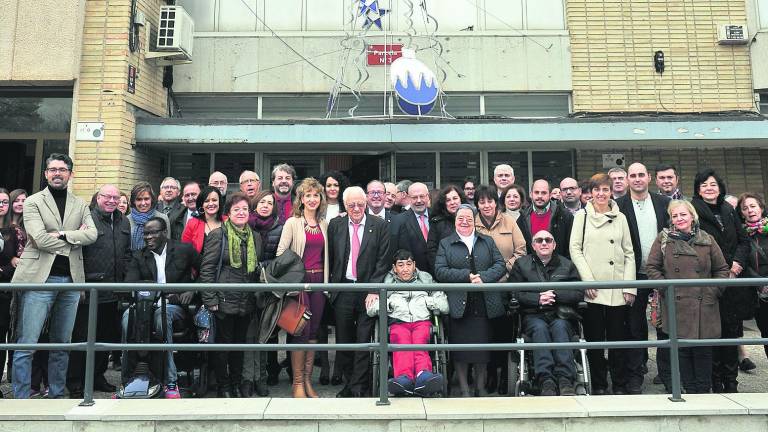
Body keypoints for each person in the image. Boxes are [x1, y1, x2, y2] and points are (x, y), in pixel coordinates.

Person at [11, 153, 98, 399]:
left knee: (62, 344)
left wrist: (60, 234)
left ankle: (57, 395)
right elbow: (38, 238)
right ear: (46, 174)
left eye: (62, 169)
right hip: (40, 279)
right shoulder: (33, 202)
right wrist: (72, 238)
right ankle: (21, 397)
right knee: (27, 342)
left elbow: (92, 234)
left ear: (70, 173)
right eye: (52, 169)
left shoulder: (80, 204)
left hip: (71, 280)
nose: (57, 173)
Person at [646, 200, 730, 393]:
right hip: (676, 304)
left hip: (704, 305)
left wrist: (713, 292)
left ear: (692, 216)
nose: (679, 219)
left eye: (683, 214)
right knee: (681, 351)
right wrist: (667, 290)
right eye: (675, 216)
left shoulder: (707, 239)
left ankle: (702, 393)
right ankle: (688, 393)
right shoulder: (664, 239)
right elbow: (652, 267)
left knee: (702, 352)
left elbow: (722, 269)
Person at [569, 172, 635, 395]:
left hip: (617, 288)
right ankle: (598, 385)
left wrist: (629, 286)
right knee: (595, 341)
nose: (601, 194)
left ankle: (620, 385)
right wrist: (587, 280)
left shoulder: (622, 218)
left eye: (605, 189)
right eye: (597, 189)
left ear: (611, 192)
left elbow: (629, 253)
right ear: (590, 193)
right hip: (593, 289)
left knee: (618, 341)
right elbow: (575, 249)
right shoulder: (582, 216)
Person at [122, 216, 199, 399]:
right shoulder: (139, 256)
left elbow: (206, 270)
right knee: (127, 317)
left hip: (174, 306)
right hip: (145, 306)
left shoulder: (183, 250)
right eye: (146, 233)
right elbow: (129, 284)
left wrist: (193, 290)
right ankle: (128, 380)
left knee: (161, 318)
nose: (148, 237)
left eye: (153, 233)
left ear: (164, 233)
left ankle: (170, 381)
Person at [435, 204, 506, 397]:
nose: (464, 221)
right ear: (454, 221)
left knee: (482, 350)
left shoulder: (487, 241)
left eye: (468, 218)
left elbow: (500, 265)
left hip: (484, 302)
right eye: (460, 218)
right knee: (461, 351)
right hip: (460, 304)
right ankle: (465, 390)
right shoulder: (446, 243)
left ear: (474, 220)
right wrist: (467, 276)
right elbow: (440, 271)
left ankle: (480, 388)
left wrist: (483, 277)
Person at [67, 184, 131, 398]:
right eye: (107, 197)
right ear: (98, 198)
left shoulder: (123, 221)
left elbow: (127, 252)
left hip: (113, 291)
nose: (112, 201)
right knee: (83, 337)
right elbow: (75, 253)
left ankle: (97, 377)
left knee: (105, 337)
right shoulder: (86, 219)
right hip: (90, 290)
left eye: (116, 197)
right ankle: (76, 380)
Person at [690, 169, 749, 393]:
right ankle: (714, 381)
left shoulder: (729, 209)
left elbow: (743, 241)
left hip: (733, 280)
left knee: (731, 332)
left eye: (713, 184)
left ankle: (731, 381)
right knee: (713, 332)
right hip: (709, 282)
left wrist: (737, 264)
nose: (709, 188)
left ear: (720, 187)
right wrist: (720, 269)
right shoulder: (693, 210)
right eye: (704, 184)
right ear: (698, 189)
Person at [327, 186, 390, 397]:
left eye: (360, 204)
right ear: (344, 205)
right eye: (351, 204)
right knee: (344, 341)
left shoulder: (379, 225)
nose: (356, 208)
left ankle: (359, 386)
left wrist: (374, 289)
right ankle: (348, 383)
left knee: (364, 340)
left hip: (367, 291)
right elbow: (331, 257)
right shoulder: (335, 225)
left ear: (366, 203)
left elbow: (383, 260)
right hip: (343, 288)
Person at [200, 193, 263, 398]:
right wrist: (210, 299)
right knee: (223, 348)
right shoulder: (218, 235)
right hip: (223, 301)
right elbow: (207, 269)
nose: (241, 213)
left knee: (239, 346)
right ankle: (223, 386)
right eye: (236, 209)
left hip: (246, 301)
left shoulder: (255, 237)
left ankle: (236, 383)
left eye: (245, 209)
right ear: (228, 213)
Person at [615, 162, 670, 393]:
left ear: (649, 177)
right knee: (635, 327)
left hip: (661, 274)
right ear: (627, 179)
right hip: (633, 275)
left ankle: (668, 376)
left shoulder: (664, 203)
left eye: (641, 175)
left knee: (665, 327)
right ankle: (635, 376)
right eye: (633, 176)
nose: (637, 179)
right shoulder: (618, 206)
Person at [510, 229, 583, 396]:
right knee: (540, 329)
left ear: (554, 245)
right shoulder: (521, 265)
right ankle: (546, 380)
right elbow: (513, 293)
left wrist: (555, 295)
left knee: (560, 327)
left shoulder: (567, 265)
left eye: (548, 240)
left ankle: (565, 379)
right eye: (540, 240)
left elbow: (578, 293)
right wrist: (538, 298)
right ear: (533, 245)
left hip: (561, 314)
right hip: (533, 314)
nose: (544, 243)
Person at [366, 249, 448, 397]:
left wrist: (429, 301)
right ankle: (404, 379)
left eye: (409, 264)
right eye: (401, 265)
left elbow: (444, 305)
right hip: (398, 322)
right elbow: (371, 308)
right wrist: (387, 304)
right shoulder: (386, 281)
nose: (405, 269)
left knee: (419, 341)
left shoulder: (426, 279)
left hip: (421, 321)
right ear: (394, 268)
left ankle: (424, 375)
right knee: (401, 341)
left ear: (414, 265)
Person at [276, 178, 329, 398]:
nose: (312, 199)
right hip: (299, 284)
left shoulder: (325, 223)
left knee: (314, 331)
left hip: (319, 284)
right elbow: (281, 254)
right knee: (299, 330)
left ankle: (308, 381)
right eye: (308, 195)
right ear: (301, 199)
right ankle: (297, 382)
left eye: (316, 195)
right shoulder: (292, 223)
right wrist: (293, 277)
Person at [474, 185, 526, 394]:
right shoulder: (473, 223)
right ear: (477, 204)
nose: (486, 205)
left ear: (496, 202)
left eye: (490, 201)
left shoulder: (509, 222)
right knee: (484, 334)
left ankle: (505, 374)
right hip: (480, 288)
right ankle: (490, 374)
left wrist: (503, 272)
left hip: (505, 286)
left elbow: (521, 251)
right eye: (482, 202)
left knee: (503, 333)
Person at [246, 190, 284, 394]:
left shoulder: (280, 227)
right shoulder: (246, 225)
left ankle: (271, 370)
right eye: (262, 202)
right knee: (249, 332)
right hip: (247, 285)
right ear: (255, 204)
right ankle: (249, 375)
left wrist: (263, 266)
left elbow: (281, 258)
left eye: (269, 203)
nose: (265, 205)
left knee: (270, 330)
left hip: (269, 285)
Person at [738, 193, 768, 361]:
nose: (750, 210)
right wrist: (759, 283)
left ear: (761, 208)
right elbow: (744, 264)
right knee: (766, 332)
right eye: (745, 208)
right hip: (759, 293)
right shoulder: (741, 235)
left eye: (753, 206)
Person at [0, 188, 23, 391]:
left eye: (5, 202)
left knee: (3, 336)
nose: (2, 206)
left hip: (5, 291)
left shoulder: (11, 232)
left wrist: (5, 267)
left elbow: (17, 260)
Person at [517, 179, 573, 259]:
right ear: (531, 194)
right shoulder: (522, 218)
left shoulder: (564, 216)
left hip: (559, 267)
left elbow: (570, 247)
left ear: (550, 195)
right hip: (531, 269)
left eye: (543, 193)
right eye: (536, 192)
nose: (540, 196)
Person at [389, 182, 432, 276]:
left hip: (438, 278)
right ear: (409, 198)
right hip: (411, 279)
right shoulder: (398, 221)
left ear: (428, 196)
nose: (419, 200)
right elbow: (394, 252)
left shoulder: (437, 217)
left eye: (422, 196)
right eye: (414, 197)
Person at [426, 185, 467, 276]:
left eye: (455, 198)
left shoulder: (471, 219)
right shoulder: (437, 223)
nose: (452, 202)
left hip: (470, 275)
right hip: (446, 275)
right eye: (448, 200)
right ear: (444, 203)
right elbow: (432, 251)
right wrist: (439, 272)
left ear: (461, 199)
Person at [127, 182, 170, 250]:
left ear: (151, 199)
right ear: (133, 201)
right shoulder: (126, 220)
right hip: (133, 259)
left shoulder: (162, 218)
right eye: (139, 199)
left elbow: (167, 245)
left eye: (146, 199)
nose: (143, 203)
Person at [181, 186, 224, 253]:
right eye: (206, 201)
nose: (211, 203)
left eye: (214, 200)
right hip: (199, 263)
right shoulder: (192, 223)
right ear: (202, 204)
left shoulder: (228, 221)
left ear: (219, 202)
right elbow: (184, 251)